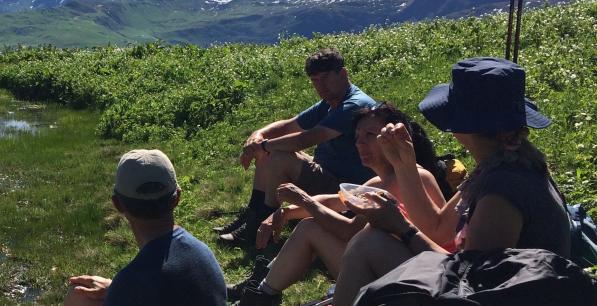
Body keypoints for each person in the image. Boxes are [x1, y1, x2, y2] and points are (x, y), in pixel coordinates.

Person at [330, 57, 570, 306]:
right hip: (494, 290)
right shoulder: (504, 164)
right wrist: (404, 163)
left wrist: (402, 228)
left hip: (488, 296)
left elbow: (473, 287)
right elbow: (435, 227)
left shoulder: (501, 192)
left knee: (368, 245)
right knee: (370, 241)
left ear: (464, 124)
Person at [231, 104, 449, 306]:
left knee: (312, 229)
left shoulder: (414, 177)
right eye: (357, 136)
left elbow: (350, 231)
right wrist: (286, 212)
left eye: (370, 135)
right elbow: (333, 201)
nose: (360, 143)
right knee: (309, 226)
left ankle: (260, 294)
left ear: (395, 137)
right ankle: (261, 291)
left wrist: (304, 201)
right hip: (389, 268)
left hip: (417, 280)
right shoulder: (378, 182)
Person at [216, 49, 377, 245]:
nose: (320, 86)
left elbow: (307, 139)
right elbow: (290, 125)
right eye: (315, 81)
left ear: (343, 74)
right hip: (328, 174)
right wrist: (258, 136)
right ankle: (253, 214)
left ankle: (257, 227)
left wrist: (263, 146)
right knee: (270, 153)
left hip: (346, 188)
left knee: (277, 157)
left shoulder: (354, 105)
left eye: (325, 78)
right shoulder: (330, 102)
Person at [66, 149, 228, 306]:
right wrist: (116, 289)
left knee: (78, 296)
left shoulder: (130, 284)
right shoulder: (203, 254)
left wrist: (119, 290)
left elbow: (147, 287)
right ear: (177, 197)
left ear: (117, 204)